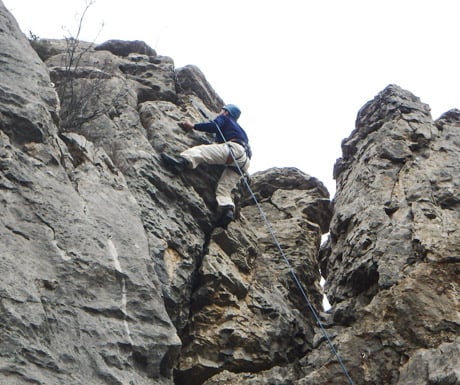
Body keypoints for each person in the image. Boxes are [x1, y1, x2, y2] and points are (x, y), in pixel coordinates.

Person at [160, 104, 251, 228]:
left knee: (202, 151)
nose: (220, 112)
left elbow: (214, 126)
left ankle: (181, 163)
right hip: (244, 161)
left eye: (222, 110)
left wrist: (193, 126)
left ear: (226, 112)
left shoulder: (225, 118)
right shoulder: (241, 130)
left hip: (233, 150)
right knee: (224, 189)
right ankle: (227, 210)